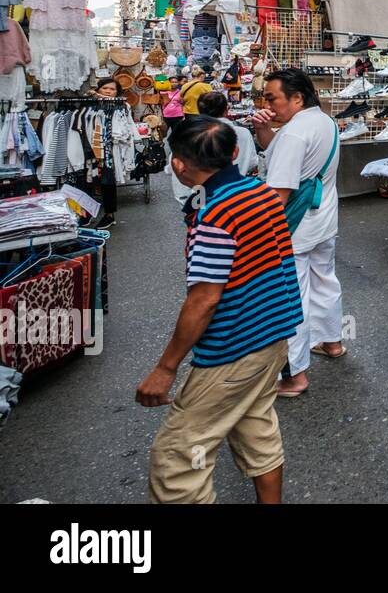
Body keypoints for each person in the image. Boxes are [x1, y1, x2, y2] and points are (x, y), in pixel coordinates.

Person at [136, 117, 303, 504]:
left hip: (234, 348)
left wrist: (166, 368)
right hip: (273, 337)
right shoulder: (260, 191)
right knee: (257, 429)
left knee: (177, 458)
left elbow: (205, 299)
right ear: (233, 153)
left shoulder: (215, 215)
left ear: (178, 163)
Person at [251, 68, 344, 397]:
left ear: (296, 98)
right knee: (325, 281)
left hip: (295, 227)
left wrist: (260, 237)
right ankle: (332, 342)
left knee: (292, 299)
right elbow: (284, 153)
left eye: (271, 97)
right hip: (323, 220)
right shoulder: (323, 121)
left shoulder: (293, 133)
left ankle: (295, 376)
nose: (267, 103)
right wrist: (264, 130)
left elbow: (278, 194)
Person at [197, 91, 257, 176]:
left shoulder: (192, 135)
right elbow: (252, 162)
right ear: (226, 110)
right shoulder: (243, 133)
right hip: (238, 183)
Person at [90, 77, 121, 226]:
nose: (108, 91)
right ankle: (85, 212)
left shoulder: (120, 105)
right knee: (88, 178)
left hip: (109, 149)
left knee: (107, 181)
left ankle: (109, 215)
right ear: (98, 89)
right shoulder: (90, 105)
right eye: (105, 88)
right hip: (90, 146)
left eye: (112, 89)